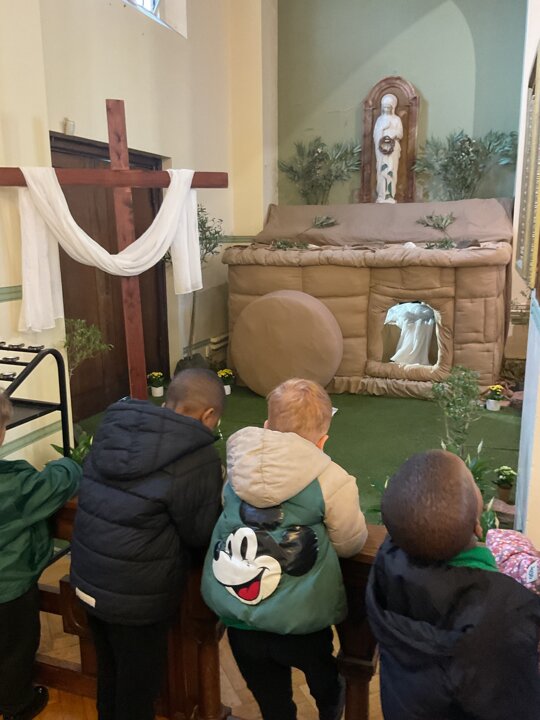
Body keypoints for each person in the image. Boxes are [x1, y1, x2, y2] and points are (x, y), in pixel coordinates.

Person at [202, 378, 367, 720]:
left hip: (242, 621)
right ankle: (329, 709)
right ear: (322, 441)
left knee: (271, 701)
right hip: (303, 621)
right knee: (325, 682)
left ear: (267, 427)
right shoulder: (331, 479)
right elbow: (350, 543)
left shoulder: (237, 472)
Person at [70, 369, 225, 720]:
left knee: (109, 672)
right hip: (137, 596)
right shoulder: (198, 456)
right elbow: (200, 535)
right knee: (138, 690)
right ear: (208, 415)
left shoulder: (115, 425)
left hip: (88, 576)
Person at [366, 450, 540, 720]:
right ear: (478, 528)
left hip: (405, 703)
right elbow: (518, 700)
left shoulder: (387, 564)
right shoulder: (506, 609)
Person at [0, 391, 81, 720]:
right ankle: (17, 704)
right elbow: (57, 482)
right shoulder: (14, 485)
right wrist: (67, 463)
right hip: (9, 589)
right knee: (16, 647)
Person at [373, 93, 403, 203]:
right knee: (382, 170)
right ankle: (381, 195)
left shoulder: (397, 119)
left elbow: (400, 134)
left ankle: (389, 195)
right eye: (384, 107)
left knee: (391, 170)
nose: (386, 109)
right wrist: (382, 129)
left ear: (393, 107)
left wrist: (392, 133)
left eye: (388, 107)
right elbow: (375, 134)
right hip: (381, 149)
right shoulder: (380, 120)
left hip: (393, 148)